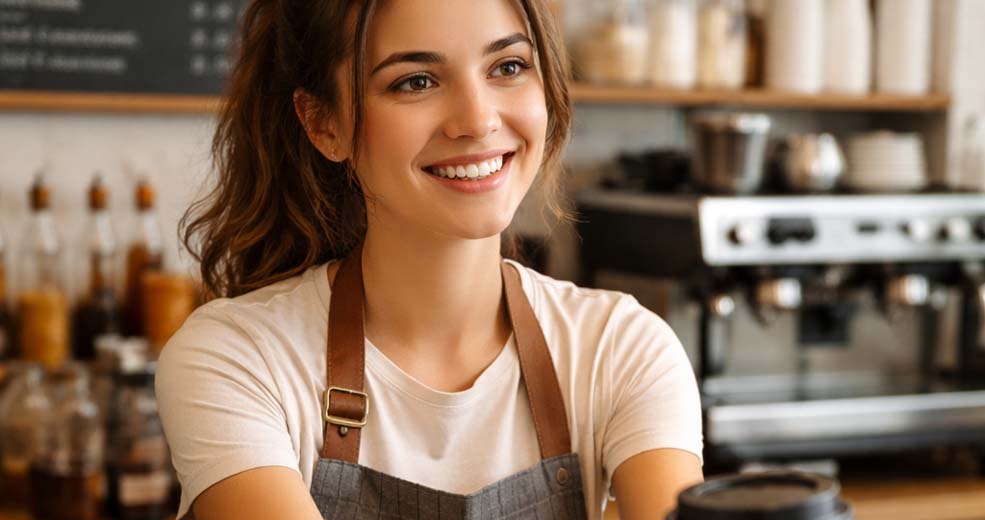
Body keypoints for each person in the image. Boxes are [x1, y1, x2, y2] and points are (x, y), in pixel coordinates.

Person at [156, 0, 704, 518]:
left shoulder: (623, 349)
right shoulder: (239, 360)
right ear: (324, 124)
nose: (477, 119)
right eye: (415, 81)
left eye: (508, 66)